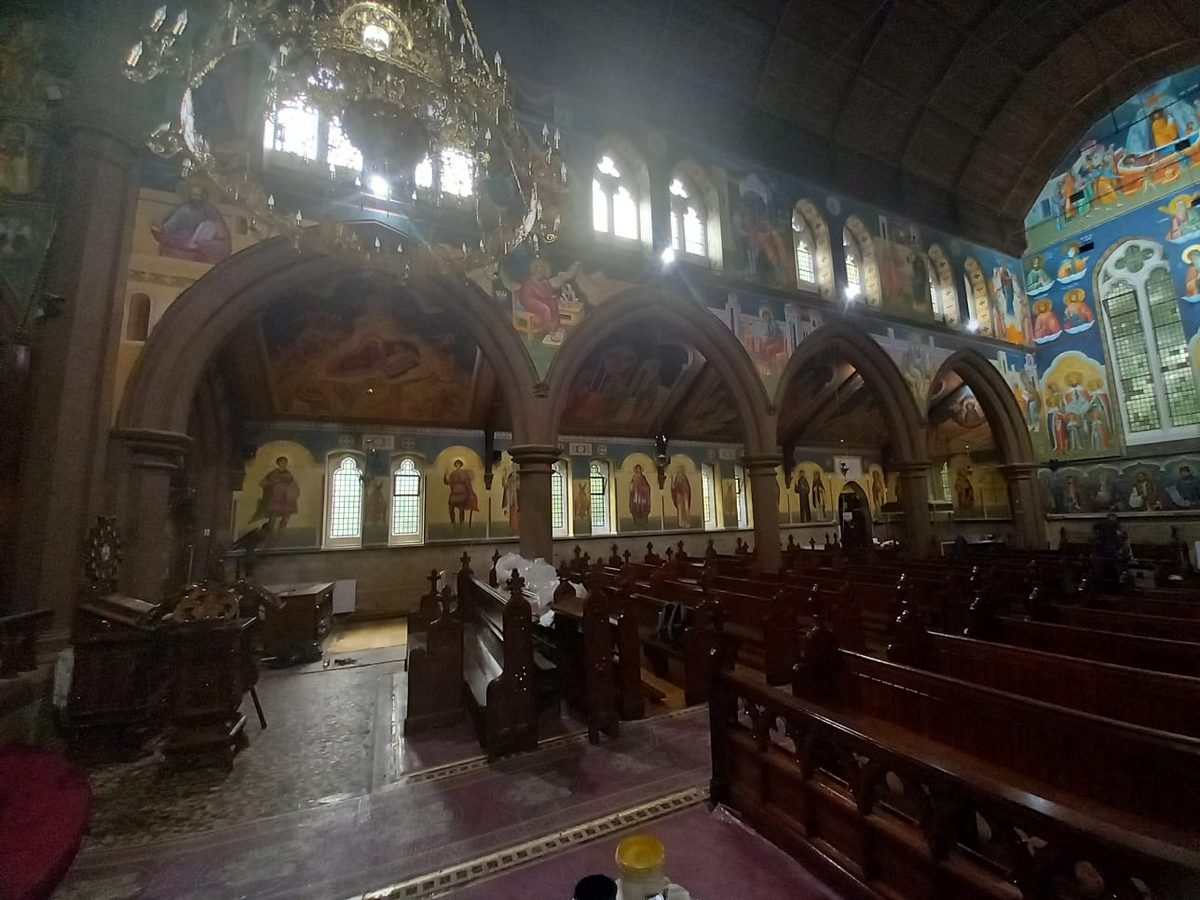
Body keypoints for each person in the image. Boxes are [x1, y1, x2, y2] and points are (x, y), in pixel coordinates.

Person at [151, 184, 232, 263]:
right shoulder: (184, 211)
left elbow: (221, 233)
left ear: (204, 196)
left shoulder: (211, 211)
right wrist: (161, 229)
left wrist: (207, 241)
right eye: (193, 195)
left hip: (202, 244)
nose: (194, 197)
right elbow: (168, 228)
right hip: (183, 242)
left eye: (197, 195)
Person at [253, 456, 298, 534]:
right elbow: (262, 483)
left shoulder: (288, 474)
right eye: (282, 462)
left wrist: (293, 491)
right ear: (278, 463)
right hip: (276, 497)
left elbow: (293, 484)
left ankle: (281, 532)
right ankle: (269, 532)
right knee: (274, 515)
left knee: (286, 517)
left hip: (286, 498)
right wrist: (274, 482)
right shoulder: (273, 473)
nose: (283, 464)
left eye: (285, 462)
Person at [443, 459, 478, 529]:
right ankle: (453, 523)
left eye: (459, 464)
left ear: (461, 465)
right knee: (451, 509)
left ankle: (461, 524)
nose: (457, 465)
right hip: (454, 494)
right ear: (455, 465)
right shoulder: (452, 474)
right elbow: (447, 482)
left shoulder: (464, 474)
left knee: (461, 509)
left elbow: (468, 484)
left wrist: (471, 493)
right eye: (456, 464)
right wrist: (445, 474)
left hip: (462, 494)